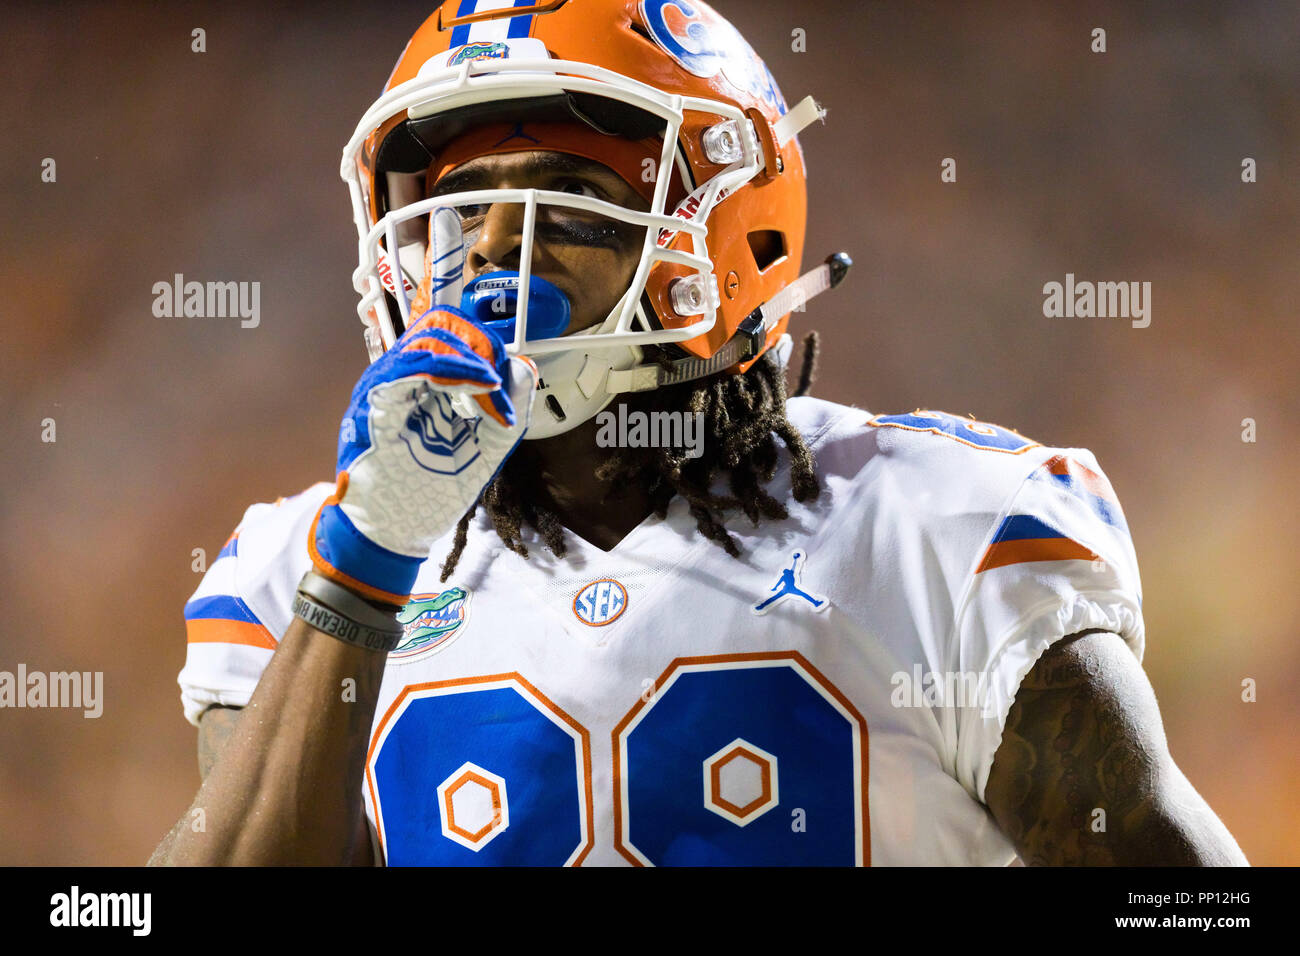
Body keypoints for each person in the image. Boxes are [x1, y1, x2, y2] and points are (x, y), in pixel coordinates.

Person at [150, 0, 1246, 866]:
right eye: (459, 206)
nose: (491, 248)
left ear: (722, 235)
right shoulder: (299, 567)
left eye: (570, 198)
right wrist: (362, 562)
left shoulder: (935, 529)